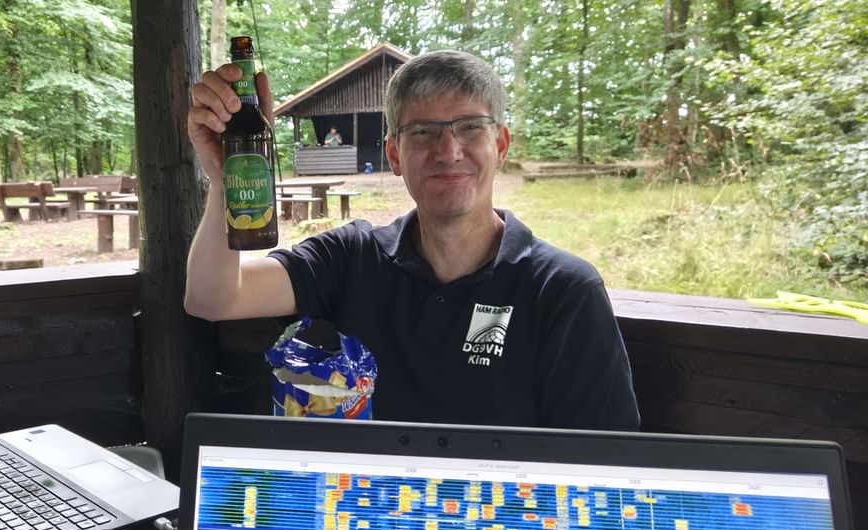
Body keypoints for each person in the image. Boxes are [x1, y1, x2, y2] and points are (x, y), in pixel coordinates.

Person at [185, 50, 639, 430]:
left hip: (505, 511)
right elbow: (213, 298)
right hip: (370, 506)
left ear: (500, 146)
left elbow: (605, 462)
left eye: (470, 127)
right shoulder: (353, 256)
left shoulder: (562, 289)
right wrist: (228, 177)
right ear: (394, 154)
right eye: (423, 132)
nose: (448, 151)